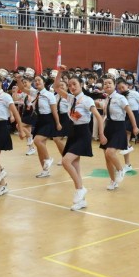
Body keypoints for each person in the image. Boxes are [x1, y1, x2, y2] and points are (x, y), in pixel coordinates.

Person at [60, 76, 106, 210]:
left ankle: (80, 189)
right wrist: (60, 73)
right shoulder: (70, 98)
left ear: (81, 84)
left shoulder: (86, 99)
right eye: (69, 85)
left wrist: (101, 134)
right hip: (73, 133)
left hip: (83, 133)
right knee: (75, 166)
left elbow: (98, 116)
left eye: (74, 84)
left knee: (66, 161)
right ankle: (82, 201)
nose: (72, 87)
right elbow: (57, 87)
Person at [100, 76, 139, 190]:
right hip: (109, 127)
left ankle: (120, 170)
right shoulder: (106, 99)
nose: (107, 85)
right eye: (105, 83)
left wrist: (135, 127)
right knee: (107, 158)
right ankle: (113, 181)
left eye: (109, 83)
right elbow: (105, 114)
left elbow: (130, 112)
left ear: (114, 86)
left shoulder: (120, 98)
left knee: (110, 152)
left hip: (119, 127)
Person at [31, 75, 62, 178]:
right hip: (39, 120)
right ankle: (45, 171)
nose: (37, 82)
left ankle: (48, 159)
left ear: (44, 82)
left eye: (39, 80)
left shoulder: (49, 95)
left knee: (37, 140)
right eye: (35, 81)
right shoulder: (35, 93)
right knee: (40, 147)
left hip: (48, 120)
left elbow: (54, 111)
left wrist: (57, 123)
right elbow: (22, 88)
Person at [117, 78, 139, 172]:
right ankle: (127, 164)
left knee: (126, 132)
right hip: (125, 117)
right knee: (124, 141)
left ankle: (128, 146)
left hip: (134, 116)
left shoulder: (134, 93)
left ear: (127, 86)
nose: (121, 89)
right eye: (119, 88)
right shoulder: (120, 96)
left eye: (123, 87)